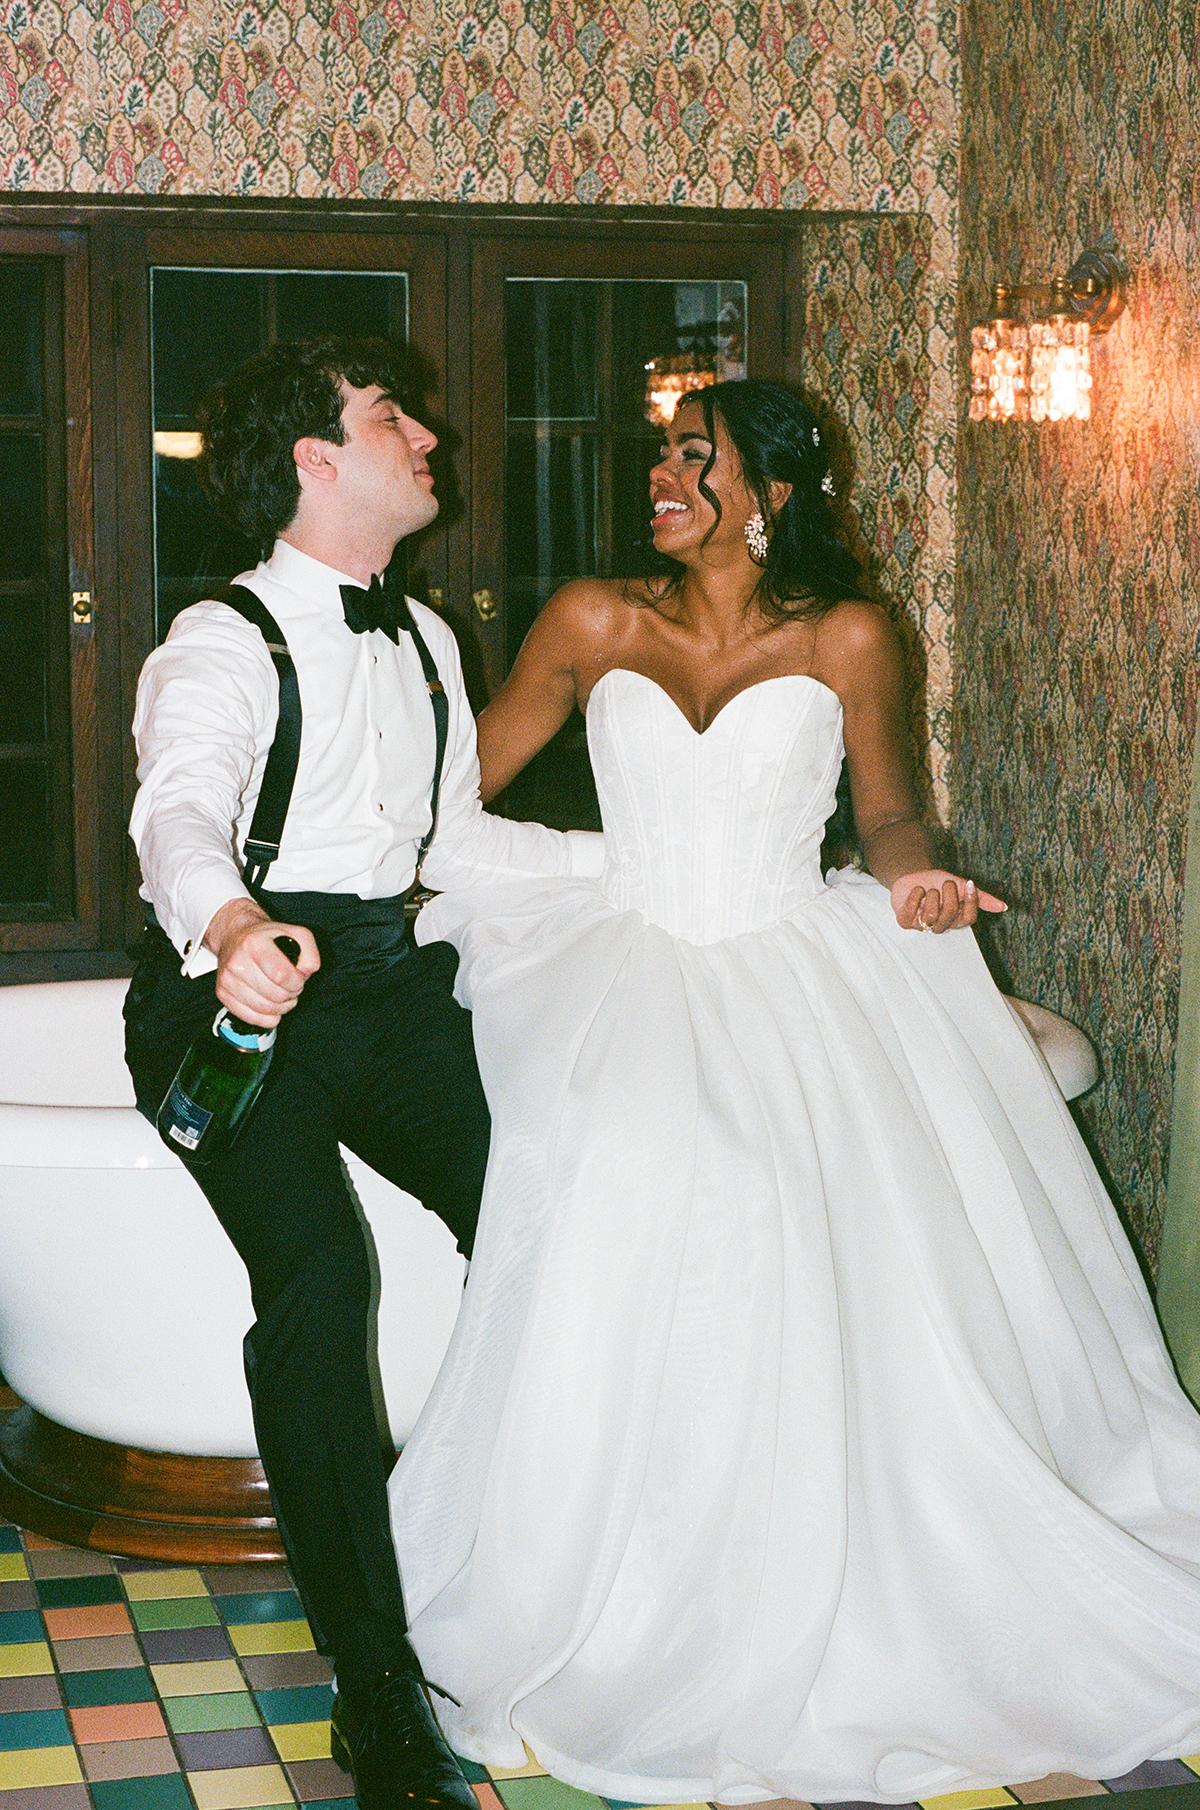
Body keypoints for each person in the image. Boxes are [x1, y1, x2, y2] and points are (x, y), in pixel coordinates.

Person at [388, 379, 1200, 1805]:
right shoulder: (590, 617)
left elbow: (889, 805)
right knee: (620, 1198)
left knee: (789, 1221)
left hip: (791, 959)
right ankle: (606, 1569)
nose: (662, 473)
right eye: (657, 453)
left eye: (693, 456)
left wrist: (918, 879)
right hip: (627, 966)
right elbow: (459, 795)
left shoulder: (848, 632)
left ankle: (819, 1560)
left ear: (770, 491)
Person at [123, 335, 601, 1810]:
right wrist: (234, 924)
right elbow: (177, 815)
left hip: (389, 996)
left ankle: (532, 1562)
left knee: (551, 1217)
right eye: (391, 415)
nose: (430, 434)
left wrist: (650, 871)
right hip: (233, 1001)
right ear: (314, 461)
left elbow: (455, 848)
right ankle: (374, 1681)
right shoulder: (222, 637)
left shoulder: (431, 642)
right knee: (322, 1283)